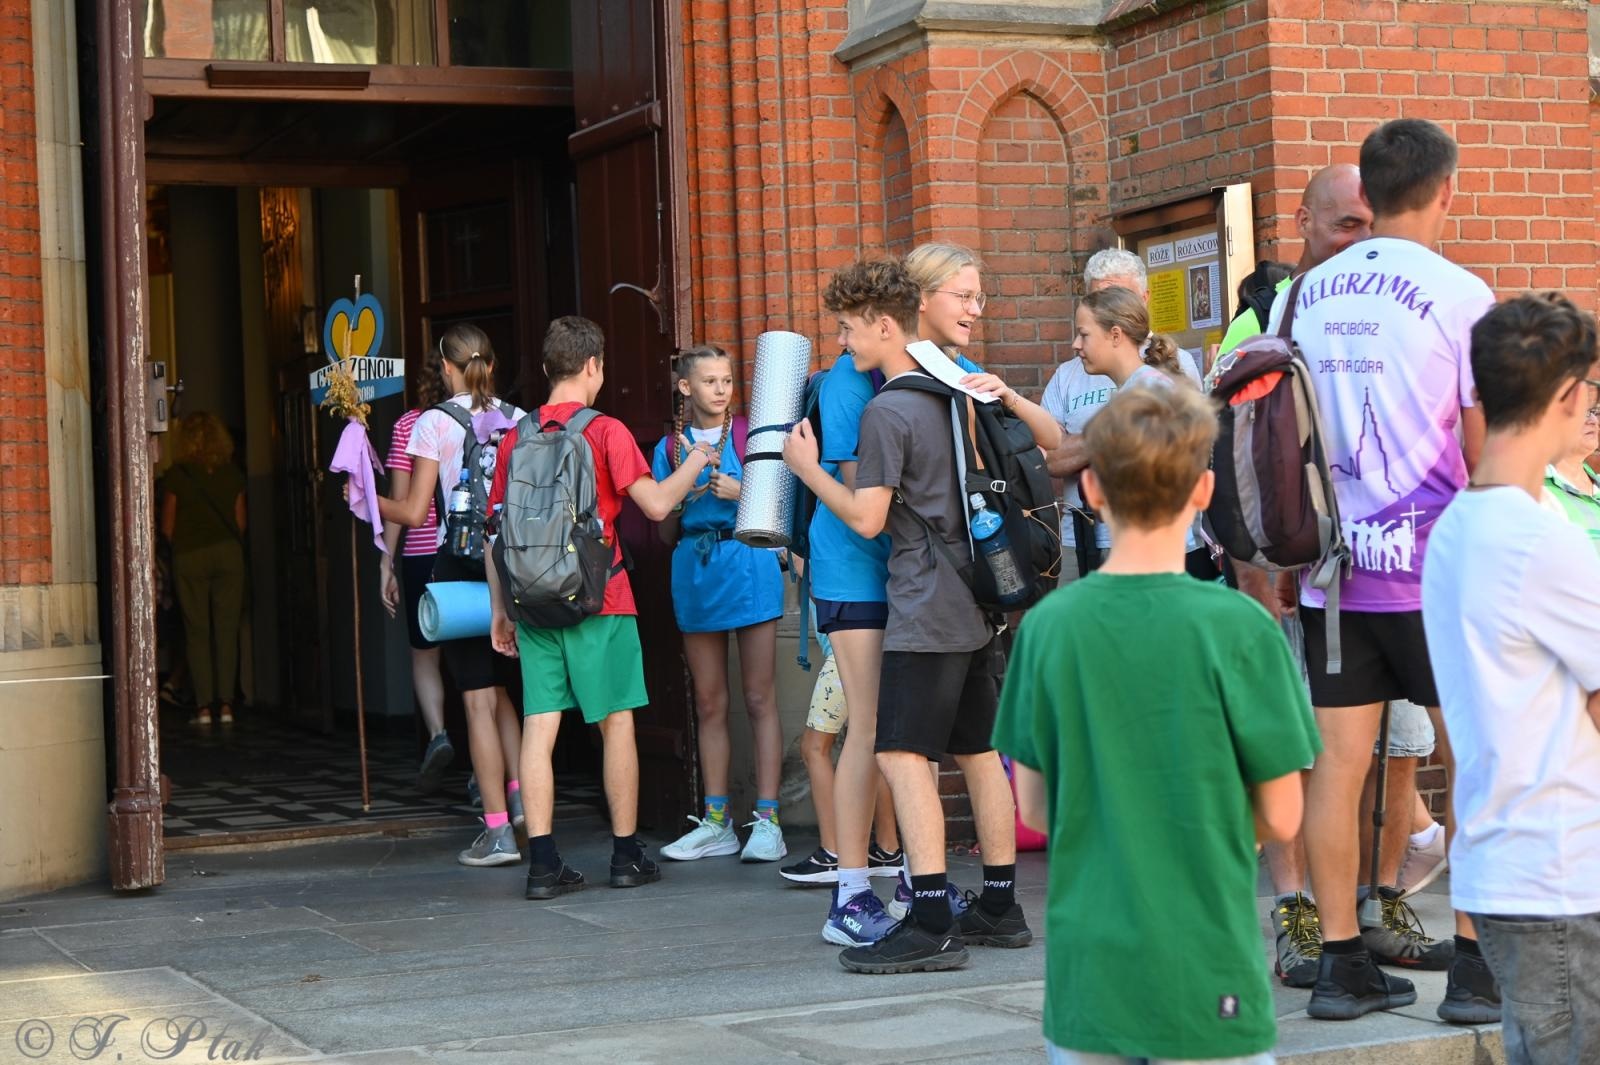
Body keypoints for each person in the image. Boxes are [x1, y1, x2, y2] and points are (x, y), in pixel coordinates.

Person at [994, 383, 1319, 1065]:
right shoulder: (1242, 628)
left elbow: (1032, 805)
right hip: (1208, 959)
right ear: (1204, 490)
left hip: (1090, 971)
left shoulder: (1048, 627)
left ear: (1089, 488)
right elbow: (1284, 814)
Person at [1267, 118, 1492, 1021]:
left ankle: (1341, 965)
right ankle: (1475, 971)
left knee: (1338, 771)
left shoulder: (1305, 295)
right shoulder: (1462, 293)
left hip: (1335, 569)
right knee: (1476, 765)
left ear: (1367, 192)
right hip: (1434, 571)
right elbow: (1483, 450)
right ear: (1444, 191)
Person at [783, 258, 1060, 973]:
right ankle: (1000, 904)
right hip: (976, 596)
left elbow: (868, 518)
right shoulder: (958, 392)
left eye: (849, 331)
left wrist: (807, 470)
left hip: (922, 603)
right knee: (975, 752)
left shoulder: (886, 409)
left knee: (903, 754)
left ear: (884, 325)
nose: (844, 345)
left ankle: (931, 916)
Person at [1210, 164, 1376, 989]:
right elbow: (1237, 451)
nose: (1359, 239)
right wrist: (1257, 566)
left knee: (1378, 750)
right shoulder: (1268, 318)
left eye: (1368, 224)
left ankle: (1358, 909)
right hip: (1295, 576)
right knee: (1287, 747)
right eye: (1345, 223)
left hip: (1387, 571)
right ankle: (1296, 915)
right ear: (1303, 221)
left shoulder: (1391, 303)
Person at [1422, 292, 1600, 1054]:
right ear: (1567, 395)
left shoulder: (1458, 525)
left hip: (1507, 863)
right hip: (1559, 867)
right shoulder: (1539, 540)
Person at [484, 315, 714, 899]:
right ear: (594, 366)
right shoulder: (605, 431)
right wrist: (698, 460)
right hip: (599, 599)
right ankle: (625, 855)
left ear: (546, 369)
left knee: (540, 728)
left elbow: (496, 534)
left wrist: (500, 610)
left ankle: (542, 864)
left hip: (532, 603)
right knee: (616, 725)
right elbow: (658, 506)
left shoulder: (516, 437)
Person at [376, 323, 526, 868]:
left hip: (459, 564)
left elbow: (414, 512)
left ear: (445, 366)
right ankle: (521, 800)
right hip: (511, 567)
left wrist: (365, 496)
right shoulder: (519, 419)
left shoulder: (432, 422)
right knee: (508, 692)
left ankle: (497, 831)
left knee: (477, 698)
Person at [652, 344, 787, 864]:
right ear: (685, 387)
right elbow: (663, 531)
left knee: (759, 698)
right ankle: (716, 822)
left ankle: (768, 820)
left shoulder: (750, 434)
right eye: (709, 381)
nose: (721, 389)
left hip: (748, 559)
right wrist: (680, 496)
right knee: (709, 702)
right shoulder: (669, 447)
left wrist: (741, 491)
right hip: (695, 569)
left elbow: (781, 504)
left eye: (727, 380)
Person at [1041, 249, 1203, 583]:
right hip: (1081, 536)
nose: (1077, 343)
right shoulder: (1071, 374)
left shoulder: (1165, 372)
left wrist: (1090, 440)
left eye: (1119, 297)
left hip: (1146, 548)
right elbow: (1047, 458)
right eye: (1099, 298)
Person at [780, 624, 904, 885]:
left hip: (848, 651)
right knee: (871, 745)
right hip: (865, 646)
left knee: (814, 746)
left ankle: (833, 852)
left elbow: (818, 587)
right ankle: (887, 849)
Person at [380, 360, 454, 793]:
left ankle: (439, 733)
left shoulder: (410, 423)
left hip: (422, 554)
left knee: (424, 653)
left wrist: (385, 561)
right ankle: (493, 771)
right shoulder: (488, 418)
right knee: (473, 662)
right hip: (466, 554)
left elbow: (400, 499)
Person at [1216, 163, 1373, 358]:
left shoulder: (1387, 305)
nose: (1365, 240)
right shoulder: (1259, 320)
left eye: (1374, 227)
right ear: (1304, 221)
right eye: (1348, 225)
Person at [160, 412, 248, 728]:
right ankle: (226, 705)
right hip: (228, 555)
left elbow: (167, 527)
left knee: (196, 632)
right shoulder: (232, 474)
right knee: (226, 630)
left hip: (190, 557)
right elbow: (241, 523)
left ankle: (203, 708)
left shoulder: (177, 476)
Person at [1540, 393, 1600, 548]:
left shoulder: (1597, 484)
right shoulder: (1538, 490)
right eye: (1582, 413)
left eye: (1594, 413)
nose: (1594, 421)